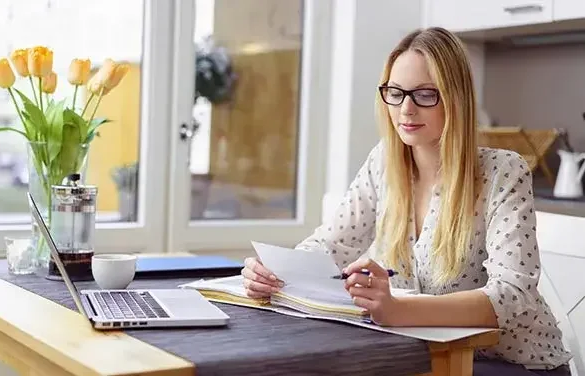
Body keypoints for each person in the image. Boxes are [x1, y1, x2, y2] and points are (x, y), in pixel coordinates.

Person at [240, 27, 573, 375]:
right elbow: (332, 243)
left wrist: (397, 309)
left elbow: (511, 293)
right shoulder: (383, 162)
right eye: (395, 93)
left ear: (455, 98)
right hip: (428, 358)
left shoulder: (504, 171)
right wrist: (276, 272)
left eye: (426, 94)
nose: (406, 109)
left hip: (512, 364)